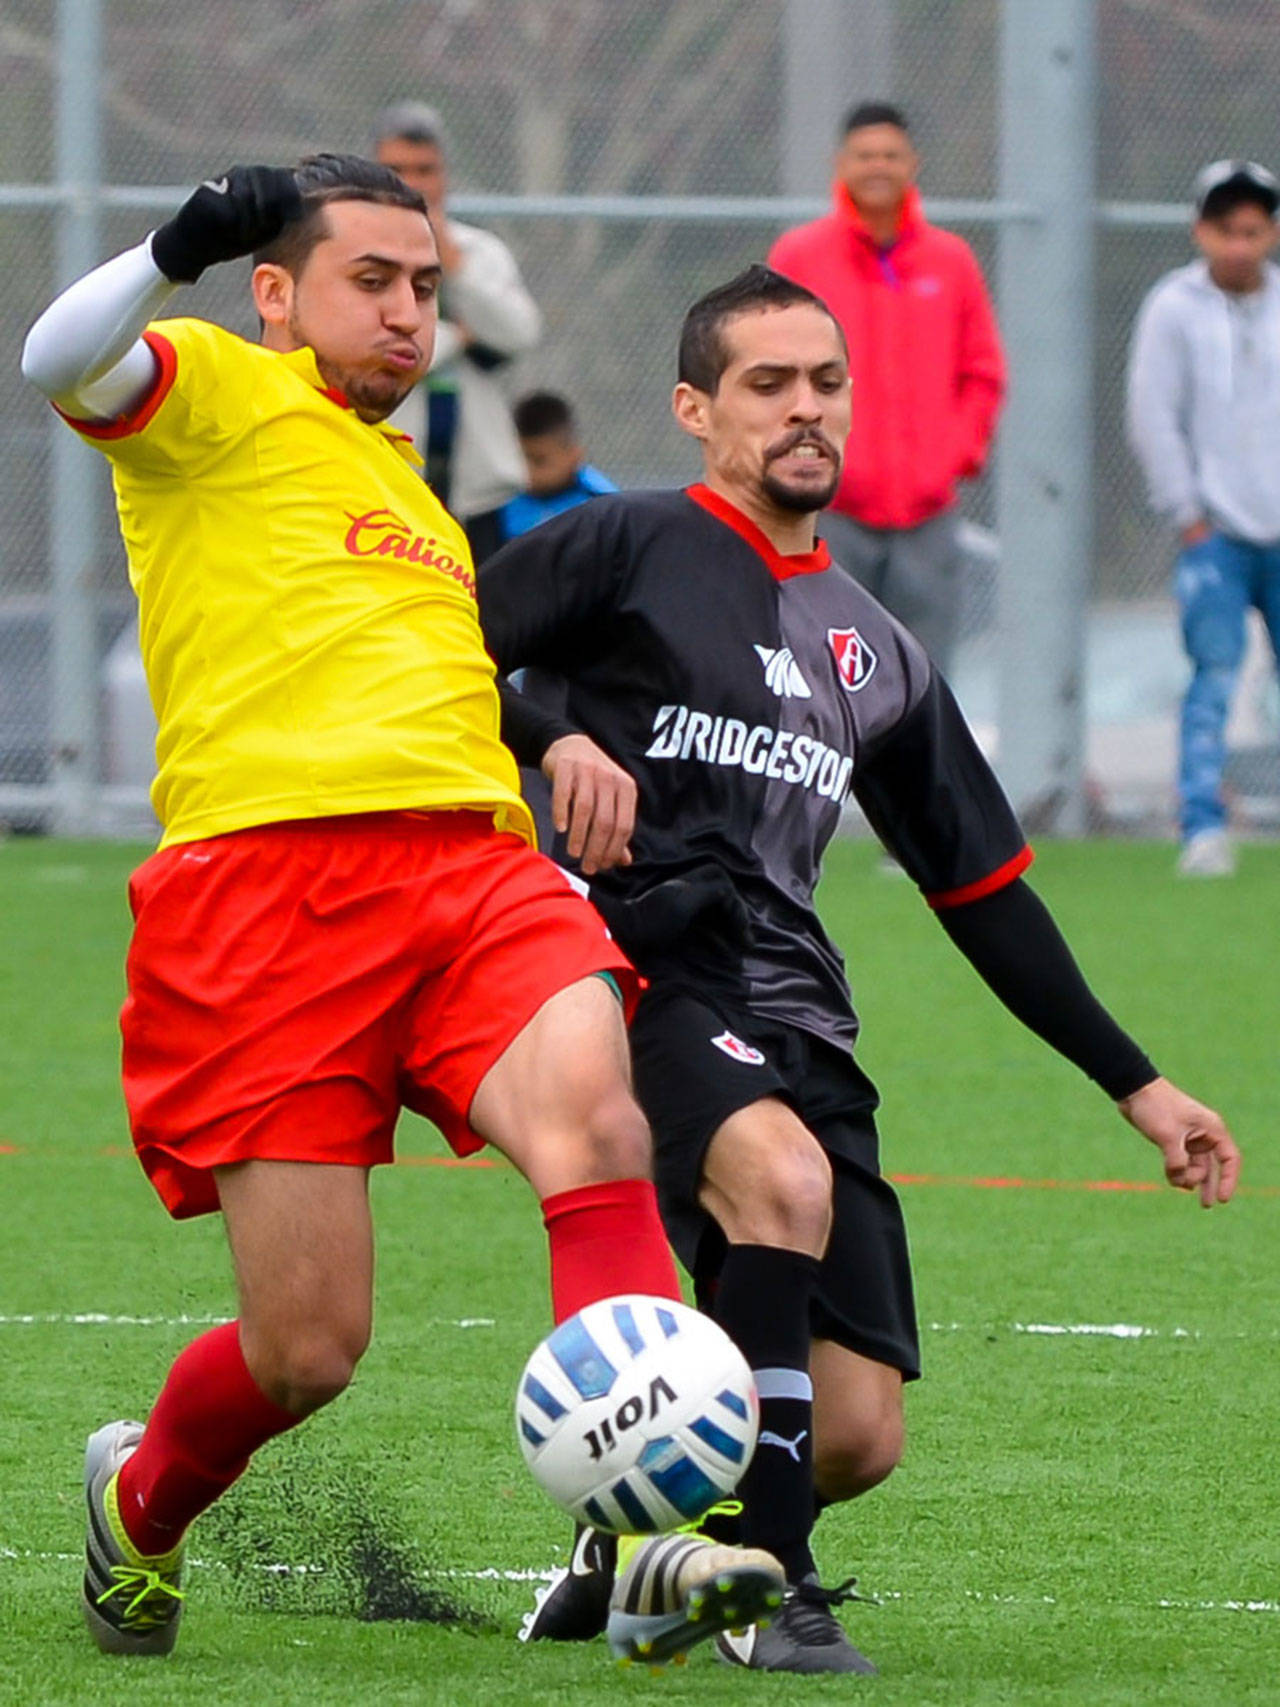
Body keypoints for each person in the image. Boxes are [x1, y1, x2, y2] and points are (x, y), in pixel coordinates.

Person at [21, 157, 784, 1666]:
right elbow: (55, 355)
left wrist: (543, 729)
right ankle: (144, 1501)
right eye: (373, 279)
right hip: (261, 894)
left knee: (602, 1127)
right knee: (307, 1349)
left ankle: (644, 1539)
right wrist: (182, 237)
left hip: (469, 871)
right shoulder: (213, 396)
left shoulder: (416, 492)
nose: (409, 313)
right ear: (277, 289)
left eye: (426, 286)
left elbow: (409, 671)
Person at [477, 265, 1241, 1676]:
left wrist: (1139, 1082)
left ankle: (642, 1513)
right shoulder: (625, 543)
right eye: (768, 385)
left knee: (855, 1434)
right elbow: (426, 641)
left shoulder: (877, 647)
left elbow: (988, 895)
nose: (805, 409)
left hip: (799, 1014)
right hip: (629, 971)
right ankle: (771, 1588)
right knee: (781, 1181)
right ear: (697, 409)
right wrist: (549, 739)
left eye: (825, 382)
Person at [767, 102, 1005, 674]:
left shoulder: (950, 261)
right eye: (865, 155)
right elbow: (767, 367)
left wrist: (953, 456)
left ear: (912, 163)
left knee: (924, 677)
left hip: (926, 517)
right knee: (822, 673)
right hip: (830, 512)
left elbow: (983, 372)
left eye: (891, 155)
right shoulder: (800, 256)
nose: (878, 166)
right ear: (840, 164)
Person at [1126, 158, 1280, 878]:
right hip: (1214, 533)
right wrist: (1189, 513)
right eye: (1225, 229)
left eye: (1252, 229)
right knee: (1213, 675)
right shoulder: (1172, 307)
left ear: (1270, 232)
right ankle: (1203, 824)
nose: (1239, 244)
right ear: (1201, 230)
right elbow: (1153, 414)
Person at [372, 101, 541, 564]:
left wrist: (456, 267)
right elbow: (374, 347)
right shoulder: (355, 259)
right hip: (389, 483)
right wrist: (457, 338)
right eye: (396, 168)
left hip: (477, 489)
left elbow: (518, 333)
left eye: (425, 169)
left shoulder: (479, 252)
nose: (413, 182)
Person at [500, 390, 617, 541]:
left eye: (539, 461)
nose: (526, 471)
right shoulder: (497, 502)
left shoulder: (604, 503)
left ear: (574, 456)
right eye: (518, 460)